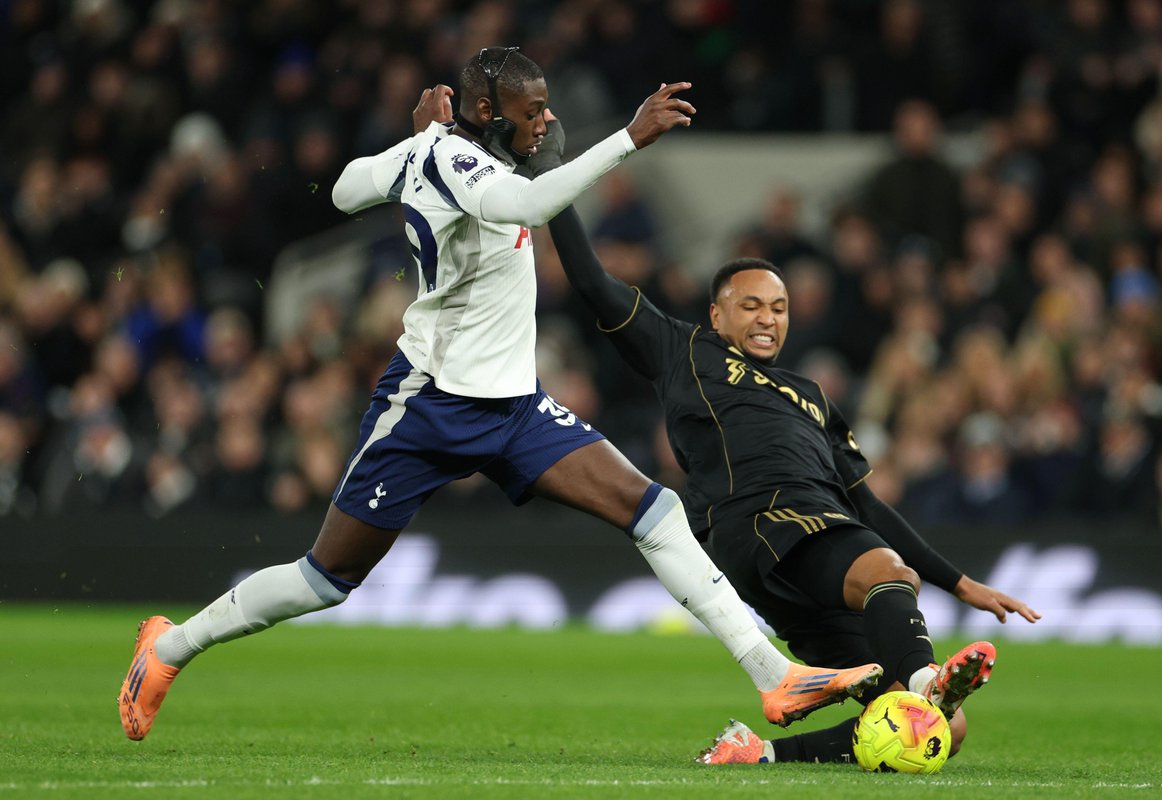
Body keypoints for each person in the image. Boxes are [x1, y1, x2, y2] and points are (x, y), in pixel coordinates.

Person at [118, 51, 883, 742]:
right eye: (533, 110)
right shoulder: (458, 163)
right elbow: (529, 206)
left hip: (513, 406)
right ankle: (170, 647)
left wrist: (406, 147)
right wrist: (625, 139)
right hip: (429, 405)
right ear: (487, 112)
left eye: (548, 105)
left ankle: (773, 677)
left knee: (655, 512)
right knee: (324, 580)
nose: (546, 119)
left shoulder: (445, 151)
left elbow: (352, 187)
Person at [529, 112, 1040, 766]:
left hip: (806, 543)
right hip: (763, 521)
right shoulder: (683, 349)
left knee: (939, 728)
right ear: (717, 315)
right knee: (890, 579)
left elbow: (868, 506)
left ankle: (762, 754)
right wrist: (550, 179)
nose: (768, 318)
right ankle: (922, 677)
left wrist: (961, 582)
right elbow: (593, 282)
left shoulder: (812, 394)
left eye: (779, 308)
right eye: (751, 305)